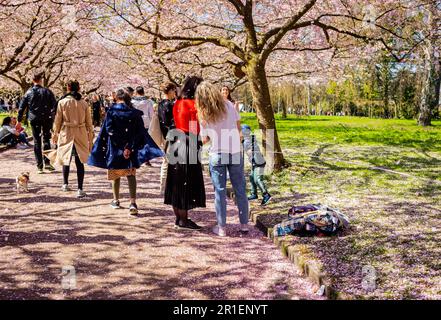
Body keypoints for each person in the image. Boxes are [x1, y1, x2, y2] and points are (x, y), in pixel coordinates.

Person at [88, 89, 163, 215]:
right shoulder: (134, 113)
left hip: (115, 147)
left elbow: (108, 130)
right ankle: (132, 202)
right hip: (130, 147)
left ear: (116, 98)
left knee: (115, 173)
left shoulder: (112, 111)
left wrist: (118, 146)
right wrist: (129, 147)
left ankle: (116, 200)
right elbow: (139, 132)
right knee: (130, 173)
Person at [196, 82, 249, 237]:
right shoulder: (229, 105)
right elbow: (237, 125)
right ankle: (244, 224)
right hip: (234, 151)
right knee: (240, 189)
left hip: (217, 153)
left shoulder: (204, 112)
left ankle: (222, 227)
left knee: (219, 192)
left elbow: (204, 138)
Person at [164, 76, 206, 230]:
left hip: (176, 141)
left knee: (176, 180)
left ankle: (178, 217)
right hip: (189, 142)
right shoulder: (193, 105)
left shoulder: (178, 103)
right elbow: (194, 126)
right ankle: (184, 219)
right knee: (186, 180)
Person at [45, 80, 94, 199]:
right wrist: (90, 136)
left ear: (68, 88)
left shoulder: (62, 102)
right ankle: (80, 189)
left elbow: (58, 120)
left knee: (65, 159)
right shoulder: (84, 103)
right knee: (79, 161)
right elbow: (89, 122)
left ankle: (65, 184)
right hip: (80, 133)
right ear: (79, 88)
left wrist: (55, 133)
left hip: (66, 132)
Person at [18, 72, 57, 174]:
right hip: (46, 118)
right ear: (41, 80)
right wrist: (53, 116)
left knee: (36, 141)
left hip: (34, 118)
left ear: (32, 80)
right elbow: (55, 105)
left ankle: (39, 166)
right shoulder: (47, 91)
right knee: (46, 139)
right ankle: (47, 163)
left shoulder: (28, 92)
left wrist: (19, 120)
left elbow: (22, 107)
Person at [241, 124, 272, 206]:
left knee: (257, 179)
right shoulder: (248, 139)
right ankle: (254, 194)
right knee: (251, 177)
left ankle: (266, 195)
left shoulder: (248, 141)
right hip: (255, 163)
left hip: (259, 163)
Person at [157, 82, 177, 194]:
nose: (175, 93)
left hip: (165, 135)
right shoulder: (169, 105)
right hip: (170, 136)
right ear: (169, 91)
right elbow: (168, 122)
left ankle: (164, 186)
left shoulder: (160, 104)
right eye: (174, 90)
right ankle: (165, 187)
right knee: (168, 162)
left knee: (166, 161)